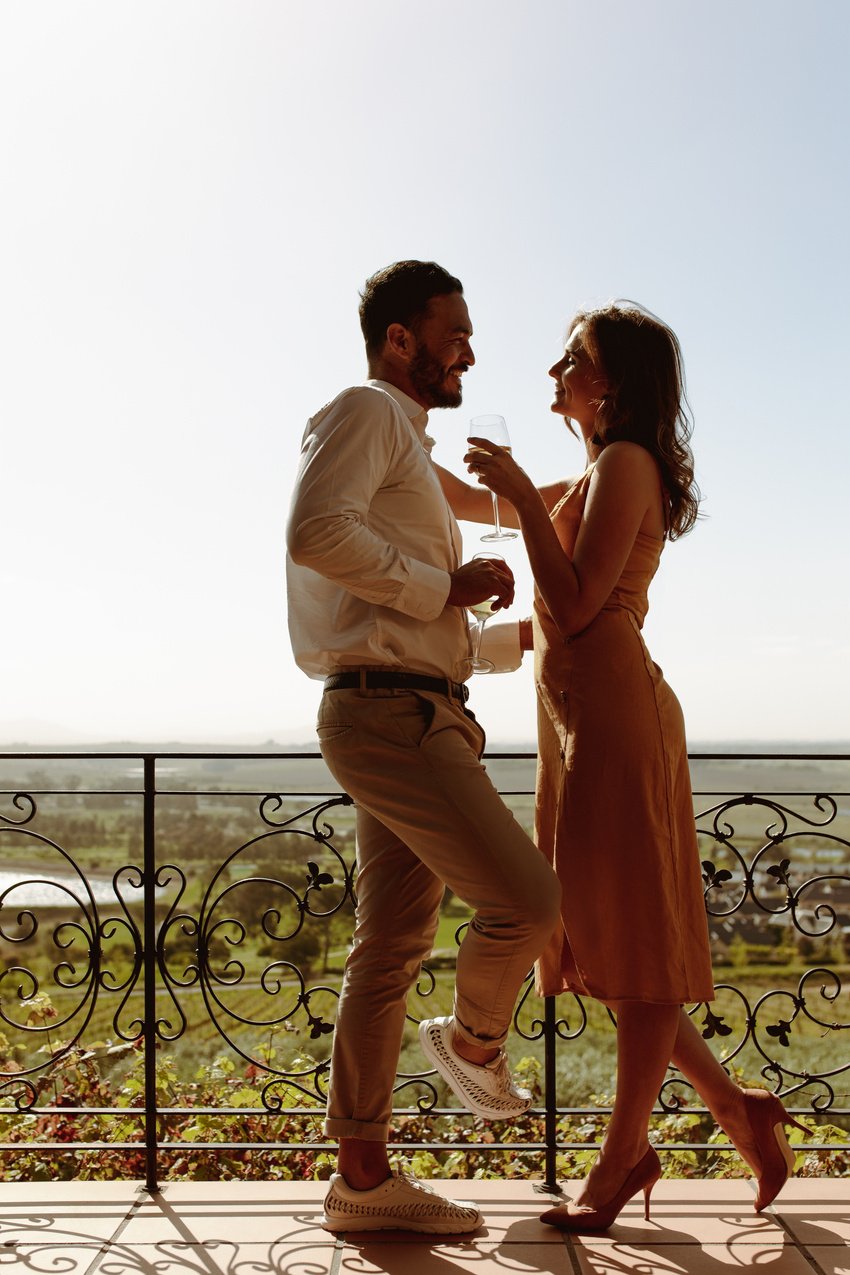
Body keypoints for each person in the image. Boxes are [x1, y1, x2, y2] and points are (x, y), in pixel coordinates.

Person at [437, 302, 808, 1230]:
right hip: (578, 725)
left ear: (613, 381)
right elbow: (456, 496)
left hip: (616, 723)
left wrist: (522, 495)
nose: (553, 369)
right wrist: (390, 425)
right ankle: (736, 1108)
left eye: (573, 357)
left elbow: (574, 599)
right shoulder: (593, 474)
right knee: (607, 948)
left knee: (636, 955)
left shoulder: (626, 464)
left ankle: (621, 1161)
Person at [286, 260, 561, 1234]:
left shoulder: (402, 444)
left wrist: (508, 636)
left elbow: (399, 629)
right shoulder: (366, 411)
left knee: (391, 945)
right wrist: (442, 586)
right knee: (526, 898)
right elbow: (316, 532)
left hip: (408, 702)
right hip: (391, 719)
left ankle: (362, 1182)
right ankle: (472, 1044)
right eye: (455, 334)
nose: (471, 353)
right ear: (399, 338)